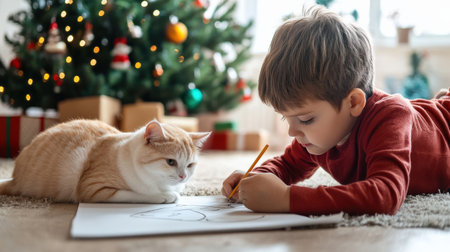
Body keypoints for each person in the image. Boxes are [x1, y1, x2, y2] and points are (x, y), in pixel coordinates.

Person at [221, 5, 450, 215]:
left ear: (353, 103)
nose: (292, 132)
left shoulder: (390, 116)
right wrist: (258, 177)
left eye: (306, 119)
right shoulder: (318, 137)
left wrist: (285, 198)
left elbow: (386, 195)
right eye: (286, 118)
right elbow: (288, 165)